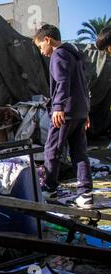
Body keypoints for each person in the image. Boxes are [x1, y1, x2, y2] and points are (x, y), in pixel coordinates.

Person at [33, 24, 93, 209]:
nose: (42, 52)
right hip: (79, 111)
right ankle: (86, 195)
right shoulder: (74, 56)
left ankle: (49, 188)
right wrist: (86, 113)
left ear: (47, 40)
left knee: (52, 149)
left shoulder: (58, 54)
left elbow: (62, 82)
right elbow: (83, 85)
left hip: (65, 112)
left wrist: (58, 106)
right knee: (79, 152)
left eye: (40, 47)